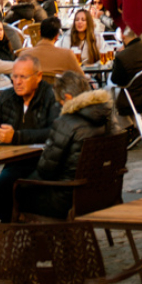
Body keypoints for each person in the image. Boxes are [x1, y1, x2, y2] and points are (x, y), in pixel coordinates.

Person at [21, 76, 125, 216]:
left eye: (60, 102)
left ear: (68, 98)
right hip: (104, 195)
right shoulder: (109, 118)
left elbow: (45, 171)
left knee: (15, 192)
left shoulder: (66, 123)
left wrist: (23, 184)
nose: (59, 107)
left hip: (66, 201)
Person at [0, 53, 62, 221]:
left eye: (23, 77)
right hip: (14, 164)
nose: (17, 82)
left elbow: (54, 132)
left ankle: (17, 228)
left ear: (38, 76)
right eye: (14, 76)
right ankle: (18, 226)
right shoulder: (8, 96)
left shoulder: (51, 96)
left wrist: (16, 137)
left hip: (43, 164)